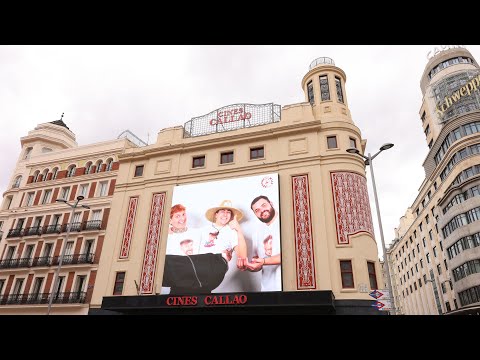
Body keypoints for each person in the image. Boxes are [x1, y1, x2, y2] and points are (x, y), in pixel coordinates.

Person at [162, 204, 232, 294]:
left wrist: (225, 252)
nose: (182, 218)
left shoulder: (198, 232)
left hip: (201, 283)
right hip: (179, 286)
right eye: (177, 216)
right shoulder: (166, 237)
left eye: (183, 214)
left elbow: (215, 237)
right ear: (170, 220)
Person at [246, 195, 281, 291]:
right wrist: (249, 266)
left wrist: (264, 261)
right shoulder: (257, 233)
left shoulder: (287, 222)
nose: (262, 210)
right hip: (267, 290)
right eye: (257, 210)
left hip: (289, 289)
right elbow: (258, 263)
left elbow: (293, 256)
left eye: (264, 205)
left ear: (271, 203)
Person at [201, 200, 248, 270]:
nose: (225, 214)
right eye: (222, 211)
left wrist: (239, 229)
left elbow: (242, 256)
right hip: (199, 266)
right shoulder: (204, 230)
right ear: (216, 215)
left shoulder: (232, 232)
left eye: (228, 212)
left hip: (217, 268)